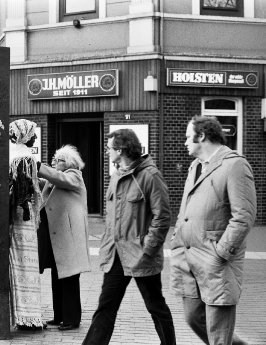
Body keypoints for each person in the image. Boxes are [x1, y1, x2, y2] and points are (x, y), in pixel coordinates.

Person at [83, 129, 175, 345]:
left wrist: (148, 249)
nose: (107, 152)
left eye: (109, 148)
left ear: (121, 149)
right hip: (116, 255)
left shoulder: (150, 176)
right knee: (106, 307)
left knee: (156, 306)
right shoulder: (116, 175)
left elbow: (162, 218)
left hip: (142, 255)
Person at [170, 116, 256, 345]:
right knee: (192, 317)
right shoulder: (196, 166)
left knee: (218, 333)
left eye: (189, 137)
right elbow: (185, 209)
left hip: (216, 260)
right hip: (188, 258)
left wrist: (221, 253)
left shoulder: (235, 165)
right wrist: (178, 234)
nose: (185, 142)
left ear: (202, 136)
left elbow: (244, 216)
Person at [36, 145, 91, 331]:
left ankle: (72, 319)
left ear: (68, 163)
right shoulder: (56, 180)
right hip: (58, 238)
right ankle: (59, 315)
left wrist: (39, 167)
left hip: (70, 240)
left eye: (58, 160)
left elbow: (59, 178)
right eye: (54, 159)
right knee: (57, 277)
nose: (54, 162)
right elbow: (46, 183)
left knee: (69, 280)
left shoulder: (74, 176)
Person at [8, 119, 44, 330]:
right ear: (25, 135)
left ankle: (20, 314)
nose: (35, 138)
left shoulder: (10, 154)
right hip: (22, 218)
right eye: (33, 134)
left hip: (12, 217)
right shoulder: (25, 158)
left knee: (14, 263)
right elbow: (24, 193)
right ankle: (27, 315)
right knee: (25, 264)